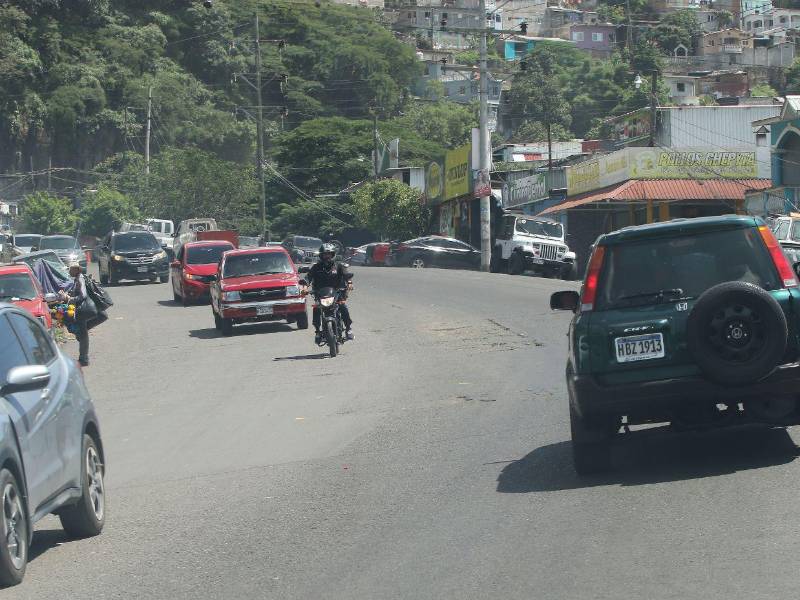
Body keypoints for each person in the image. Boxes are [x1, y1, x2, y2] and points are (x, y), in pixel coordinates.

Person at [304, 243, 353, 344]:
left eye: (329, 254)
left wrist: (349, 283)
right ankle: (317, 331)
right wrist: (304, 287)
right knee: (316, 308)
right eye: (325, 254)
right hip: (320, 294)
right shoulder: (316, 267)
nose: (327, 256)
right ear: (321, 255)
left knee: (343, 307)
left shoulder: (339, 266)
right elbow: (308, 278)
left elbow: (346, 275)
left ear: (333, 254)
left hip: (337, 293)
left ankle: (348, 329)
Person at [62, 261, 93, 367]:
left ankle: (84, 358)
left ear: (77, 270)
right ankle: (83, 357)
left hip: (82, 311)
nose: (69, 271)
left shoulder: (80, 279)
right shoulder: (76, 279)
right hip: (78, 310)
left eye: (71, 269)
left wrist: (70, 299)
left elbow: (83, 295)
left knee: (83, 334)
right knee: (80, 332)